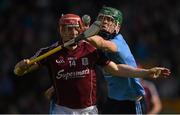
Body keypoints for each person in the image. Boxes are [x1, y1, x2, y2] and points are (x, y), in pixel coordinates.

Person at [14, 13, 170, 114]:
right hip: (62, 110)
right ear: (60, 30)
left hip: (89, 110)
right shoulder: (49, 52)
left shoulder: (90, 49)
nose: (70, 32)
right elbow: (21, 71)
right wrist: (21, 68)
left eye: (74, 29)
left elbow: (115, 69)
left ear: (80, 30)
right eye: (66, 29)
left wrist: (147, 72)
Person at [83, 6, 167, 114]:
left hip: (130, 102)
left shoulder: (118, 42)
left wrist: (85, 34)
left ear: (117, 26)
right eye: (101, 18)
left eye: (109, 19)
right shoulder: (94, 44)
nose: (104, 22)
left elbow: (102, 43)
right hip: (112, 99)